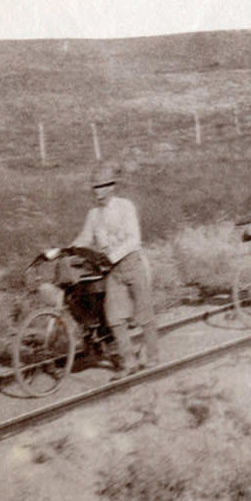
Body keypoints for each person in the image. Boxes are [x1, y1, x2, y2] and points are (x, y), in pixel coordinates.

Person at [71, 162, 159, 378]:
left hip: (134, 264)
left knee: (144, 314)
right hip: (114, 272)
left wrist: (110, 256)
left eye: (101, 187)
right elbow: (84, 238)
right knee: (115, 318)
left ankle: (153, 356)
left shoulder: (125, 207)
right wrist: (68, 250)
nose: (97, 192)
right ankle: (129, 361)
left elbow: (134, 239)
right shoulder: (93, 215)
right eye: (94, 187)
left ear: (111, 187)